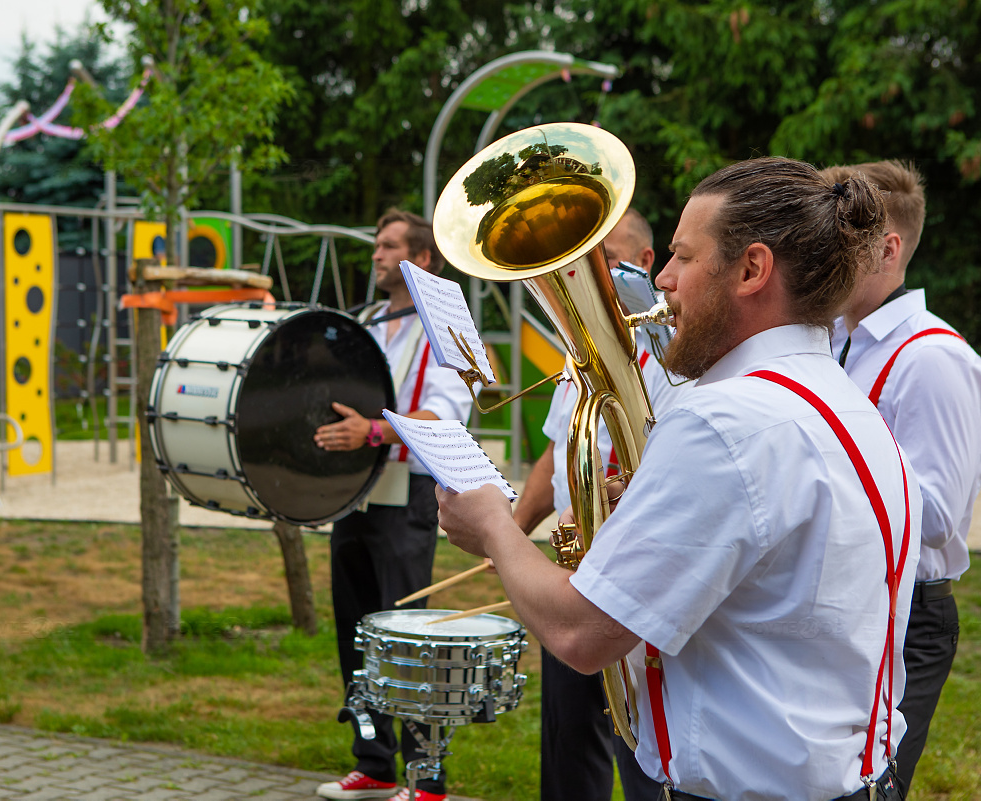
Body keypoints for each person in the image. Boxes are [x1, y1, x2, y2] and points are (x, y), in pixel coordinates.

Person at [438, 157, 917, 801]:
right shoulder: (844, 400)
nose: (661, 280)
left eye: (682, 258)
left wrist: (496, 524)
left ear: (751, 270)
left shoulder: (726, 422)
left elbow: (582, 635)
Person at [822, 160, 981, 795]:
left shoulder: (932, 357)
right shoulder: (839, 339)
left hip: (909, 615)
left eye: (833, 240)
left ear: (888, 250)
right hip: (856, 600)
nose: (814, 251)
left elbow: (939, 514)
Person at [513, 208, 683, 801]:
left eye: (606, 260)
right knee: (567, 739)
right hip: (574, 564)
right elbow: (557, 455)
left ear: (647, 265)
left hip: (634, 570)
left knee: (639, 741)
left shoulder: (673, 361)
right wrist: (511, 533)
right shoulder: (576, 351)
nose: (593, 274)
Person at [313, 209, 473, 801]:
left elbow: (445, 413)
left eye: (387, 246)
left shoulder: (442, 326)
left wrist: (373, 434)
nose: (375, 255)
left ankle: (426, 779)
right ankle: (375, 765)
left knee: (407, 636)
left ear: (420, 259)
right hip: (354, 496)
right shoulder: (372, 322)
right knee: (355, 631)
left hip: (405, 495)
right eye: (376, 246)